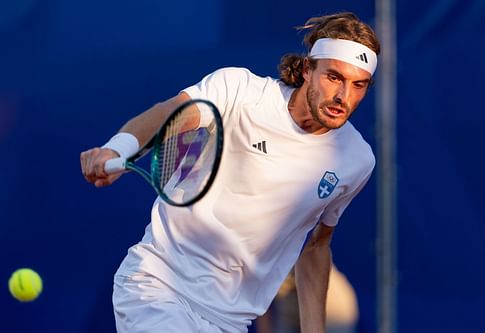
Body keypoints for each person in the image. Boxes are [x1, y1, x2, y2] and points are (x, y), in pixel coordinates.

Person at [80, 11, 380, 333]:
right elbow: (172, 114)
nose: (343, 97)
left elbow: (317, 246)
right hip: (158, 287)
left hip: (230, 321)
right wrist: (119, 148)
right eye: (333, 77)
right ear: (307, 69)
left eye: (358, 85)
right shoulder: (239, 90)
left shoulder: (356, 161)